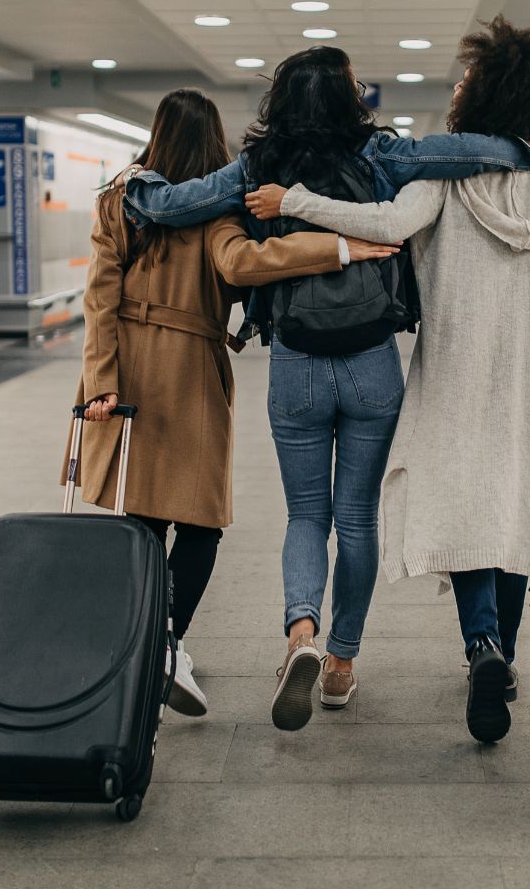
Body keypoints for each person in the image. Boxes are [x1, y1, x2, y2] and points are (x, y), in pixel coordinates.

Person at [121, 46, 530, 731]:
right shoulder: (382, 153)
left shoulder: (261, 166)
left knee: (306, 516)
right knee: (357, 520)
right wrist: (523, 152)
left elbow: (175, 205)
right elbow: (463, 152)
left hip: (295, 362)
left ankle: (301, 634)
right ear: (350, 98)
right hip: (372, 360)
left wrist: (135, 186)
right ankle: (342, 663)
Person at [245, 18, 530, 743]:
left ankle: (478, 645)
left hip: (457, 369)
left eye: (467, 81)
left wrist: (293, 200)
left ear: (485, 97)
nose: (457, 88)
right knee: (520, 510)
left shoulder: (442, 180)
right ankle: (499, 654)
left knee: (469, 512)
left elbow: (381, 226)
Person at [66, 87, 397, 718]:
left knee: (141, 516)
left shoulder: (120, 200)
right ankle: (166, 642)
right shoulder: (216, 213)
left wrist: (101, 381)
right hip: (189, 371)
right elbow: (246, 264)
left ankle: (142, 643)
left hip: (128, 372)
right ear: (215, 145)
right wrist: (342, 245)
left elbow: (98, 297)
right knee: (200, 524)